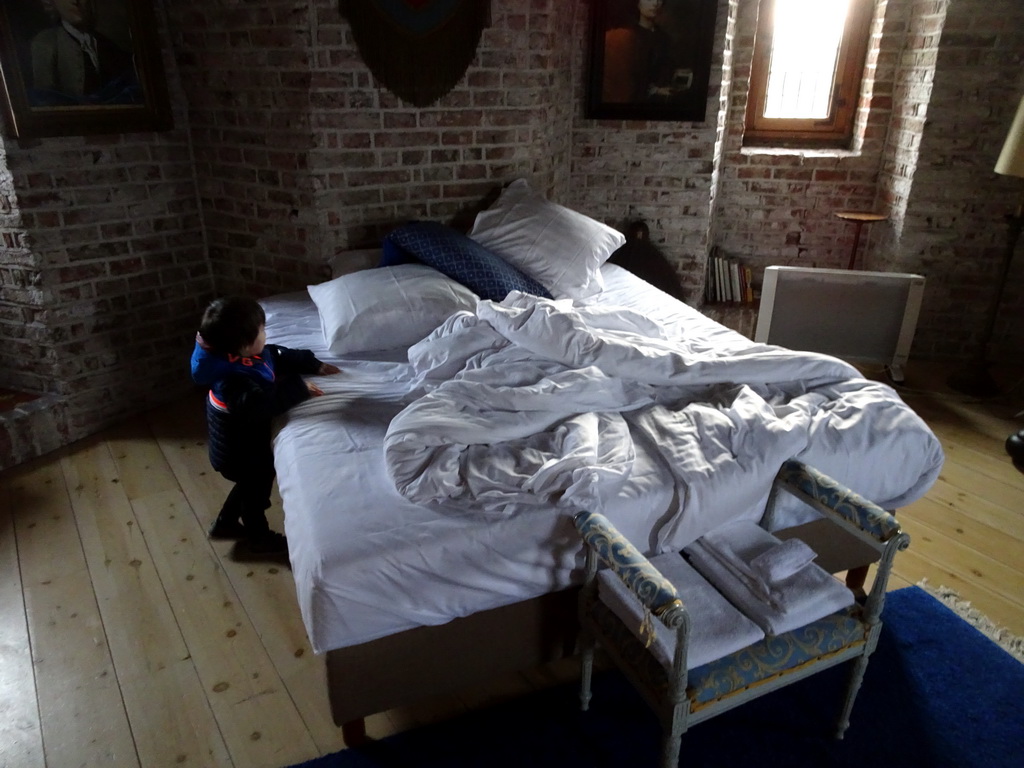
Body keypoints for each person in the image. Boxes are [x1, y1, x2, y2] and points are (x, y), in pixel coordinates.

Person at [190, 296, 341, 554]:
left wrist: (312, 364)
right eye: (262, 330)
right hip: (238, 453)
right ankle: (258, 535)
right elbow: (261, 406)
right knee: (255, 494)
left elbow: (276, 355)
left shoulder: (240, 355)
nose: (266, 334)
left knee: (247, 486)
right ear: (245, 346)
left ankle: (225, 524)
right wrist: (298, 387)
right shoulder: (233, 382)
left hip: (241, 445)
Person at [29, 0, 139, 105]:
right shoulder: (46, 43)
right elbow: (45, 99)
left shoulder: (108, 45)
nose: (75, 1)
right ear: (52, 2)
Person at [602, 0, 690, 104]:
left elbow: (666, 70)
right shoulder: (627, 36)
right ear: (638, 3)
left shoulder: (664, 38)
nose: (655, 3)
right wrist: (654, 90)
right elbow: (626, 81)